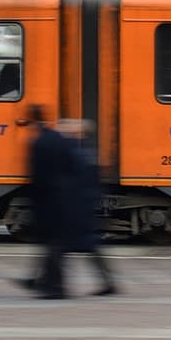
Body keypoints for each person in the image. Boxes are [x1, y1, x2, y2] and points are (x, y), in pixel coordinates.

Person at [54, 117, 119, 297]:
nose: (65, 129)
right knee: (84, 246)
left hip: (77, 207)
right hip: (82, 205)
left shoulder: (78, 152)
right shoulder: (86, 151)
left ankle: (52, 283)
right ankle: (108, 282)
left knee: (63, 246)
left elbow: (77, 180)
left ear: (80, 132)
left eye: (71, 127)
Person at [16, 103, 73, 298]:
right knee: (53, 244)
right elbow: (69, 166)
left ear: (31, 120)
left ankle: (55, 287)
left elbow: (36, 177)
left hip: (47, 200)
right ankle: (43, 282)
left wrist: (33, 200)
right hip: (62, 198)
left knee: (52, 245)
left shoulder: (37, 142)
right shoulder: (58, 138)